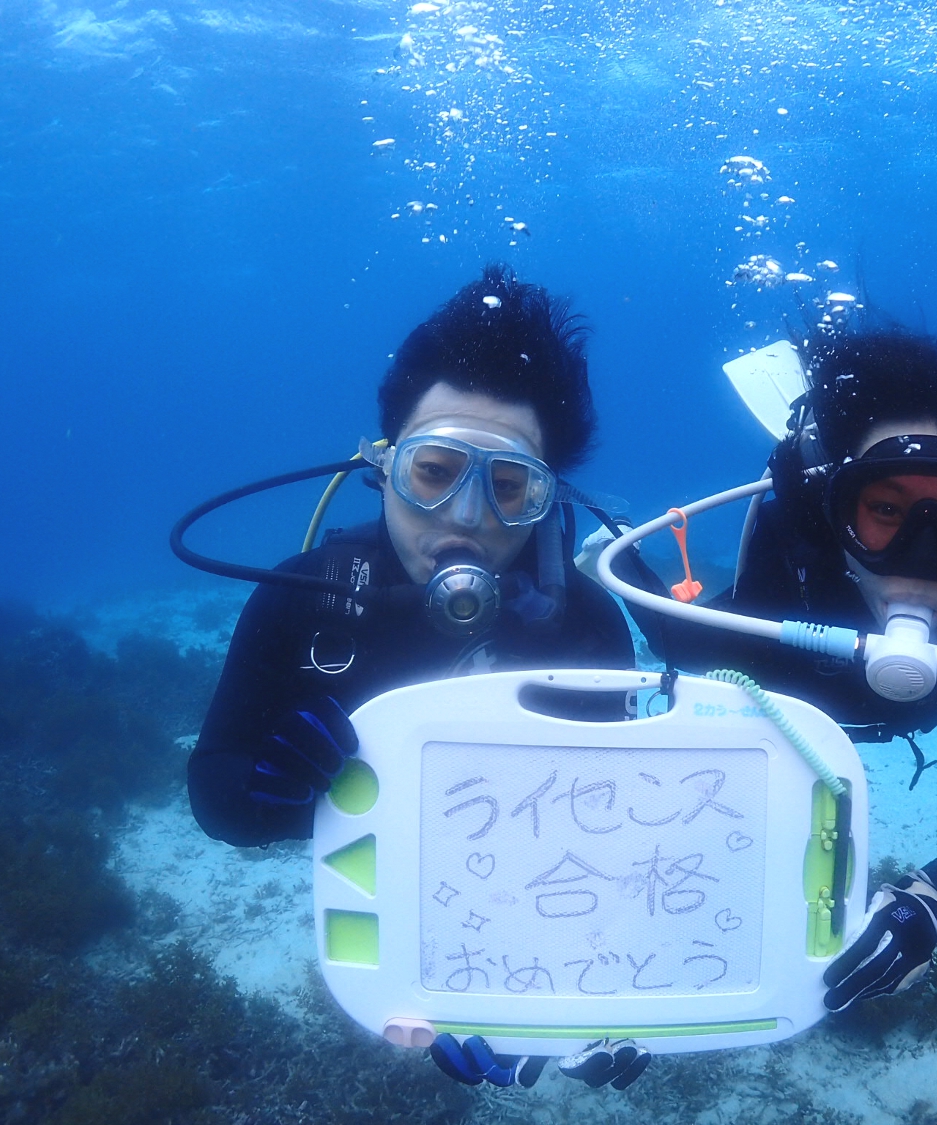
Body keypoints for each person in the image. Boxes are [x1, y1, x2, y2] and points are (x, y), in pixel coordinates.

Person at [187, 265, 646, 1088]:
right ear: (385, 464)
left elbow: (602, 838)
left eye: (508, 486)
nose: (465, 517)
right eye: (434, 471)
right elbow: (215, 791)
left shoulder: (586, 627)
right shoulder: (303, 599)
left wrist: (594, 988)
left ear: (545, 499)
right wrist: (276, 792)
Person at [672, 312, 937, 1011]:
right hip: (784, 679)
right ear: (835, 515)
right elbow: (696, 668)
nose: (921, 556)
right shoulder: (797, 551)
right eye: (885, 508)